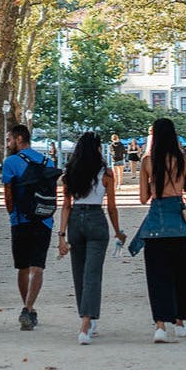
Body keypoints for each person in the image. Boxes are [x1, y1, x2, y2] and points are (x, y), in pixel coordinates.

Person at [129, 118, 186, 343]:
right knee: (182, 274)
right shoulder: (184, 160)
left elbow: (143, 198)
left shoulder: (148, 161)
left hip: (155, 224)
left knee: (157, 276)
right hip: (179, 224)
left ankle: (160, 325)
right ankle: (180, 322)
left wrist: (153, 186)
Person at [57, 133, 126, 344]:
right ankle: (87, 322)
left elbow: (66, 205)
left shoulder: (71, 173)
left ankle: (86, 317)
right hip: (97, 219)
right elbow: (112, 208)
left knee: (79, 272)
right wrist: (118, 231)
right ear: (97, 149)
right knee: (93, 274)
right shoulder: (106, 173)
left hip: (75, 221)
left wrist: (61, 235)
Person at [2, 124, 55, 331]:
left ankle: (28, 308)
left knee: (22, 267)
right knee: (38, 266)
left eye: (9, 139)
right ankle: (28, 308)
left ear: (20, 138)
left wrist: (11, 214)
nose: (8, 144)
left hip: (20, 220)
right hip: (44, 219)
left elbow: (8, 193)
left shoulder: (11, 162)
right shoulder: (47, 160)